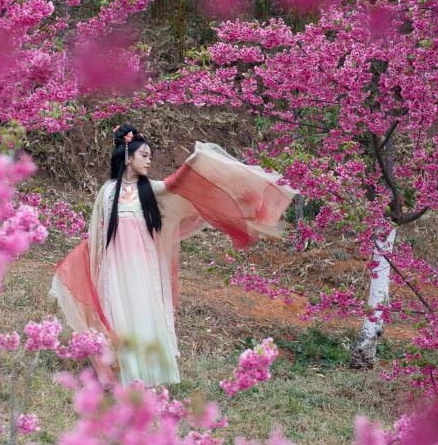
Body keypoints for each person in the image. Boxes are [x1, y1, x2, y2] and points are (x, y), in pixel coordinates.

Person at [49, 123, 299, 386]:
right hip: (115, 267)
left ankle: (150, 372)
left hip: (144, 268)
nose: (148, 161)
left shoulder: (152, 190)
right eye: (144, 155)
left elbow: (179, 184)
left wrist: (197, 161)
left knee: (144, 313)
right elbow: (98, 235)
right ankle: (124, 374)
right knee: (118, 313)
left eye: (150, 156)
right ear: (127, 156)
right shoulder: (108, 192)